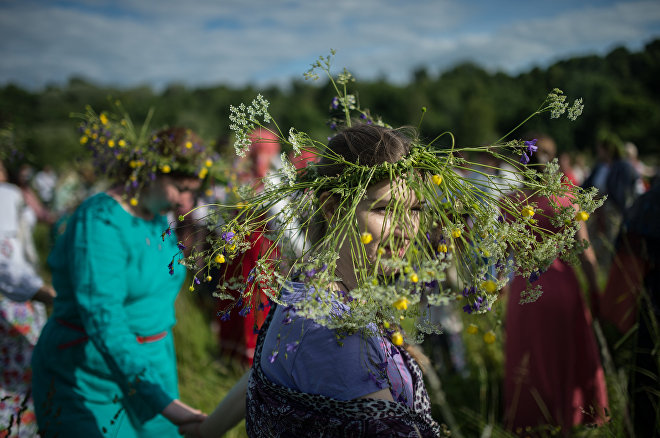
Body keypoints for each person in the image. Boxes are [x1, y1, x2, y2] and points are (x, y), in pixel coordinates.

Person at [181, 124, 444, 437]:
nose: (405, 228)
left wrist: (208, 429)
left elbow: (273, 365)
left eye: (414, 209)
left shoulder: (314, 285)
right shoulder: (333, 333)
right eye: (385, 209)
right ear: (333, 208)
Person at [30, 126, 208, 437]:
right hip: (91, 375)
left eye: (192, 191)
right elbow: (104, 317)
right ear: (151, 172)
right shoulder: (100, 220)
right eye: (180, 187)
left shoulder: (155, 217)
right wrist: (163, 403)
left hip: (153, 368)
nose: (185, 200)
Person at [503, 135, 608, 436]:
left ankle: (534, 426)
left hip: (526, 293)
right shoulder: (566, 198)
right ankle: (572, 420)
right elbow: (586, 254)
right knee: (566, 356)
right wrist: (596, 293)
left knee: (530, 363)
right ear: (553, 163)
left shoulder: (508, 202)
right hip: (564, 289)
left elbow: (500, 257)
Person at [0, 158, 56, 437]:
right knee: (19, 383)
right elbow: (4, 257)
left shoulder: (12, 194)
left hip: (18, 295)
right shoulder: (6, 195)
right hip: (13, 301)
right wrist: (42, 291)